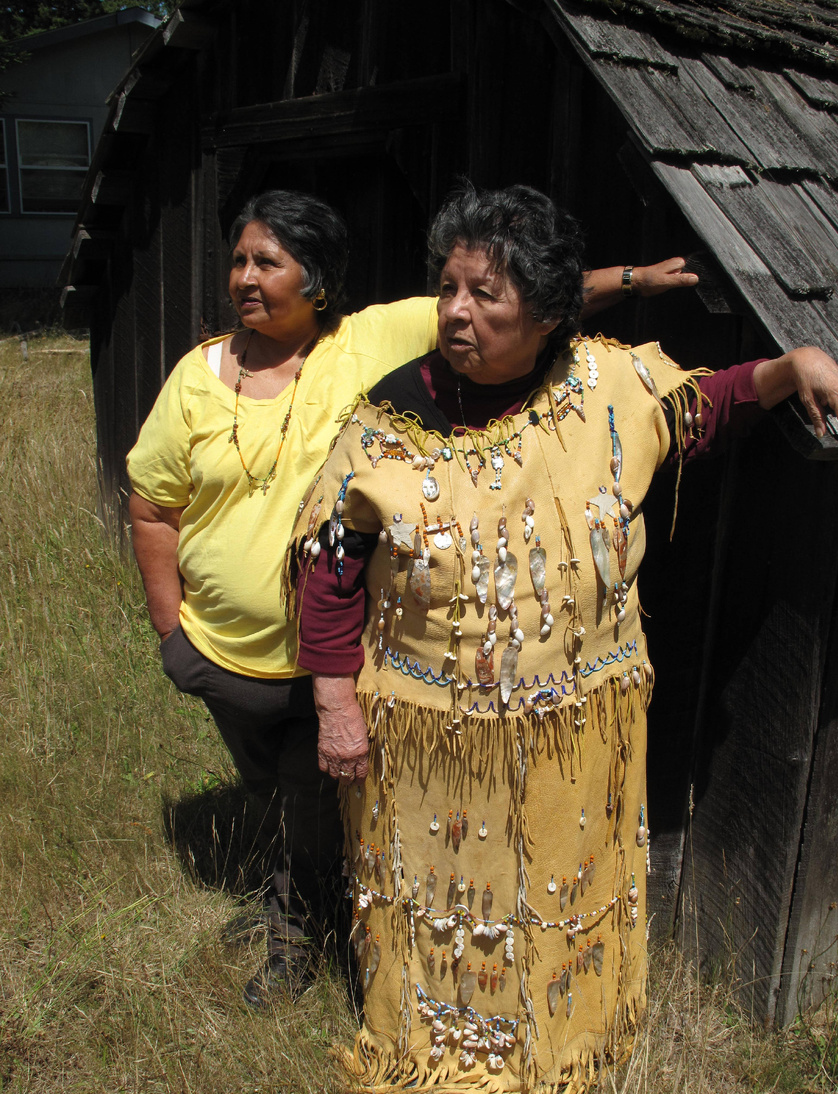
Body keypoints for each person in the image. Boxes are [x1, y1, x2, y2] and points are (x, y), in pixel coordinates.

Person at [284, 183, 838, 1094]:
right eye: (449, 288)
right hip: (425, 743)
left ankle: (559, 1052)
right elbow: (331, 573)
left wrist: (793, 364)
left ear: (549, 315)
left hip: (573, 737)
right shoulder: (388, 419)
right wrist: (336, 707)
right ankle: (430, 1052)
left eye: (487, 295)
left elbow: (703, 409)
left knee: (554, 888)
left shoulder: (607, 387)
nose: (457, 312)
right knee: (437, 895)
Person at [126, 188, 693, 1010]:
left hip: (326, 658)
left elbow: (524, 295)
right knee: (273, 797)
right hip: (220, 653)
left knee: (317, 805)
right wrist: (171, 630)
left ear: (315, 280)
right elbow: (151, 506)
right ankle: (303, 902)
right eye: (239, 261)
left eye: (267, 262)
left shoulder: (372, 341)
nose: (245, 278)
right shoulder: (197, 377)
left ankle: (301, 935)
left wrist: (633, 278)